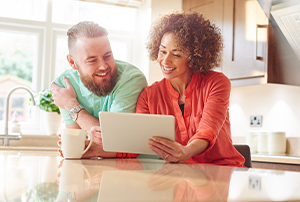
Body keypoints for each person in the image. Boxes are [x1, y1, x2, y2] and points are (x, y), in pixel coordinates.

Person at [136, 11, 245, 167]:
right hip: (179, 175)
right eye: (162, 51)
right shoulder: (148, 96)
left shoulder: (216, 83)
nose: (165, 60)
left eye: (176, 54)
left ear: (195, 56)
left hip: (221, 171)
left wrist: (185, 152)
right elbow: (138, 140)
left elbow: (207, 131)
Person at [51, 21, 147, 158]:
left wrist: (72, 105)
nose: (103, 66)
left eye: (108, 56)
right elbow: (79, 144)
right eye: (92, 60)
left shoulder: (131, 79)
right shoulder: (64, 84)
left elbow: (114, 139)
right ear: (72, 62)